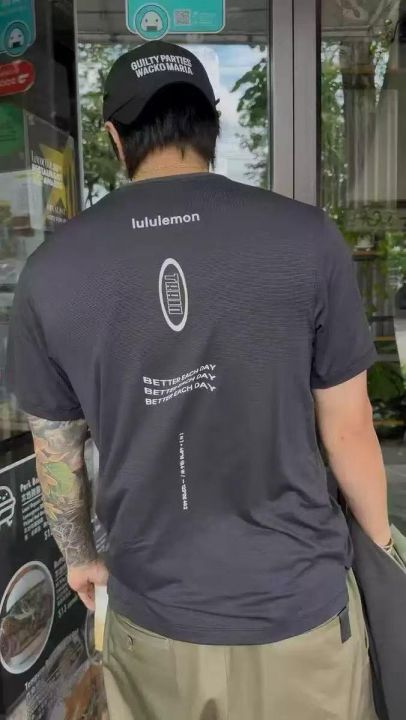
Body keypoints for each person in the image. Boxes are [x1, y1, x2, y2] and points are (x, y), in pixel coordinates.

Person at [6, 41, 389, 720]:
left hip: (155, 624)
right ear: (212, 123)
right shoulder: (306, 238)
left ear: (113, 138)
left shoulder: (52, 272)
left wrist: (81, 558)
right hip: (300, 615)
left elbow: (55, 453)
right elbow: (350, 427)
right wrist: (380, 546)